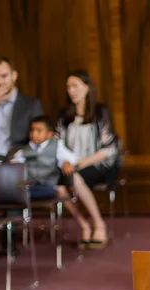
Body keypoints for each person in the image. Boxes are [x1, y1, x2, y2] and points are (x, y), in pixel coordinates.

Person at [56, 70, 119, 246]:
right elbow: (57, 144)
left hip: (99, 164)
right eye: (69, 87)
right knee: (58, 187)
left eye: (75, 86)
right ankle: (84, 224)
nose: (71, 90)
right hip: (71, 164)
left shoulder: (100, 112)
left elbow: (110, 148)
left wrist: (80, 163)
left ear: (87, 87)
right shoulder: (64, 115)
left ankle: (99, 223)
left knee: (74, 178)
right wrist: (67, 162)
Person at [10, 116, 84, 202]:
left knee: (52, 190)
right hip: (31, 185)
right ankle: (24, 195)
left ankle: (25, 195)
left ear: (49, 134)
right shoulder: (25, 149)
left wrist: (66, 162)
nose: (34, 134)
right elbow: (15, 162)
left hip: (48, 184)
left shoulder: (56, 145)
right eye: (32, 130)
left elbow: (69, 157)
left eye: (39, 131)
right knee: (18, 190)